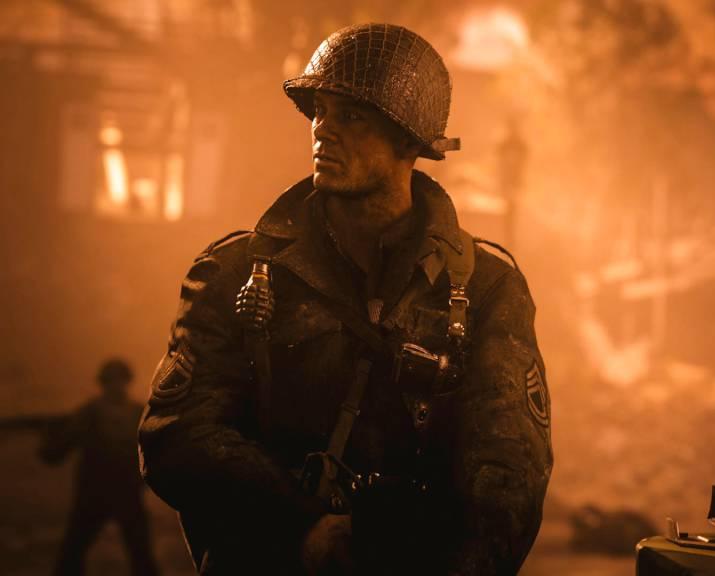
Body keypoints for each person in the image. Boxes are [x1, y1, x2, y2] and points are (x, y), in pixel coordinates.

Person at [138, 23, 552, 575]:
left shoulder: (486, 289)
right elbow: (177, 435)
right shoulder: (234, 271)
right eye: (320, 111)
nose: (323, 131)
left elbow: (508, 476)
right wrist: (301, 529)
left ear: (409, 141)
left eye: (352, 117)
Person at [41, 359, 158, 576]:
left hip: (123, 492)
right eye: (112, 381)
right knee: (73, 553)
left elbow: (54, 453)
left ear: (126, 382)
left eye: (119, 380)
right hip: (97, 493)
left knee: (140, 555)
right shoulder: (97, 413)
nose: (116, 386)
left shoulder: (134, 413)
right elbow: (56, 451)